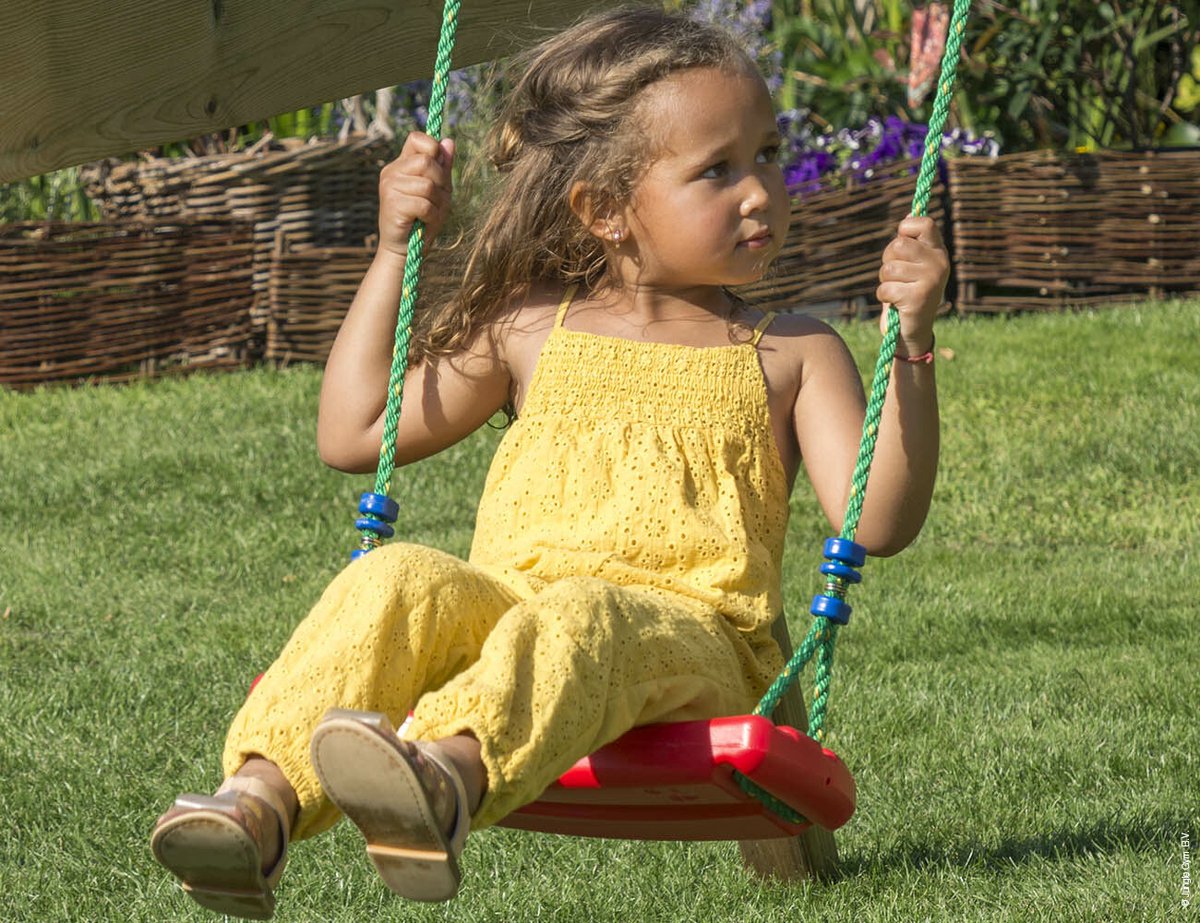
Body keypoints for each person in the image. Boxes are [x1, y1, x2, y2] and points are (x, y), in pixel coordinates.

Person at [149, 6, 947, 919]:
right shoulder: (533, 328)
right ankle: (254, 810)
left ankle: (441, 784)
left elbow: (877, 521)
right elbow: (355, 432)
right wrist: (390, 248)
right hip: (516, 623)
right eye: (717, 170)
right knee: (401, 575)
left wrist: (910, 345)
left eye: (767, 154)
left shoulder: (792, 351)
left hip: (700, 644)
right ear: (604, 210)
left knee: (582, 611)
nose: (760, 190)